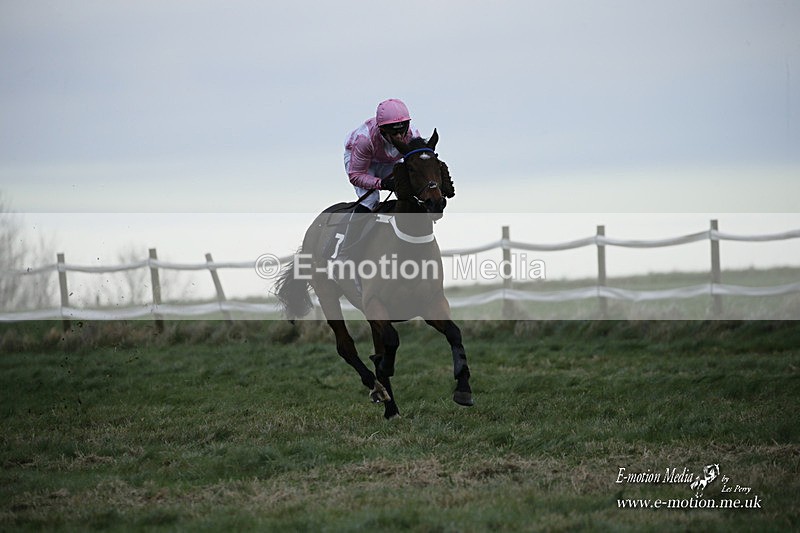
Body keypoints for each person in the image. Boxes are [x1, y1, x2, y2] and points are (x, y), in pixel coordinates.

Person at [343, 99, 420, 211]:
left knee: (409, 195)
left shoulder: (412, 135)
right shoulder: (364, 139)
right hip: (361, 163)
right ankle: (353, 228)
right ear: (382, 130)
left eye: (402, 131)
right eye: (393, 133)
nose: (399, 137)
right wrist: (382, 183)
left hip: (389, 160)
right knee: (370, 201)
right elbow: (356, 176)